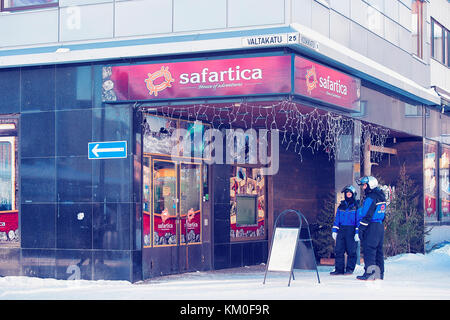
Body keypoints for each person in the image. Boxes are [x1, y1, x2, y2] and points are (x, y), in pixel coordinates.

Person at [355, 176, 387, 280]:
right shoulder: (381, 196)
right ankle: (379, 274)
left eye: (365, 185)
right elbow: (383, 214)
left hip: (371, 226)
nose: (363, 187)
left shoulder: (371, 197)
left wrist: (361, 228)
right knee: (378, 251)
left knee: (369, 250)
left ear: (370, 185)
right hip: (379, 226)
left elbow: (367, 214)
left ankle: (370, 274)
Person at [330, 185, 360, 275]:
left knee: (351, 251)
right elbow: (337, 219)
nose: (348, 195)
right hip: (342, 230)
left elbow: (359, 220)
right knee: (339, 250)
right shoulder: (341, 206)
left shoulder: (356, 206)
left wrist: (357, 233)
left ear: (353, 194)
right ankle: (339, 269)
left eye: (350, 193)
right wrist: (334, 230)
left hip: (351, 230)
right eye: (347, 193)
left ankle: (350, 269)